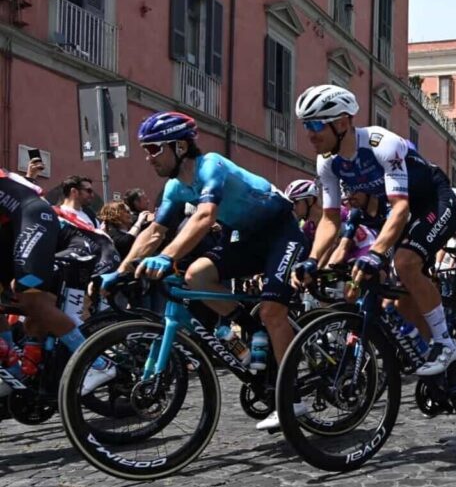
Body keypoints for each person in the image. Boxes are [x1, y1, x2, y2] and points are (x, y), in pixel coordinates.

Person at [101, 111, 308, 428]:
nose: (148, 158)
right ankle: (249, 330)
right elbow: (155, 231)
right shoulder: (174, 188)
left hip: (280, 231)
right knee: (196, 275)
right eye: (146, 149)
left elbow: (205, 216)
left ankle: (293, 399)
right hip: (243, 237)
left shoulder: (211, 164)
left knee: (271, 311)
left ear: (180, 147)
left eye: (154, 149)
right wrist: (122, 270)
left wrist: (167, 257)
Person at [291, 84, 456, 377]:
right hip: (398, 210)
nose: (310, 134)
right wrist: (312, 260)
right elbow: (331, 220)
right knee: (397, 294)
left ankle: (447, 344)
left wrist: (376, 253)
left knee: (405, 262)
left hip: (433, 199)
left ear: (342, 122)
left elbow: (401, 208)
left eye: (317, 124)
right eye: (307, 125)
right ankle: (432, 360)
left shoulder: (382, 144)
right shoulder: (327, 162)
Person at [0, 168, 114, 395]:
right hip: (12, 228)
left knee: (30, 299)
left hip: (33, 218)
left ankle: (98, 363)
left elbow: (33, 191)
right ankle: (13, 371)